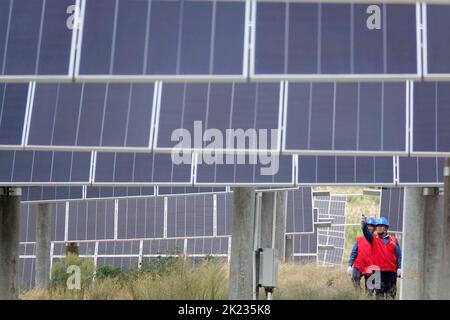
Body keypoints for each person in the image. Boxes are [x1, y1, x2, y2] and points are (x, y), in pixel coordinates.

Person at [361, 216, 402, 299]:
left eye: (381, 226)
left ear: (386, 228)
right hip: (378, 272)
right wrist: (364, 225)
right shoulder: (373, 239)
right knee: (379, 294)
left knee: (391, 294)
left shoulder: (394, 240)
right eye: (377, 226)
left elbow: (398, 255)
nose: (378, 228)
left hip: (391, 272)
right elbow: (366, 233)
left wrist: (399, 267)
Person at [347, 216, 377, 292]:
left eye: (371, 226)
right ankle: (359, 294)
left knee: (369, 291)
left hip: (371, 267)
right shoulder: (359, 240)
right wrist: (350, 265)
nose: (369, 228)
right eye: (368, 226)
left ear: (374, 228)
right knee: (355, 279)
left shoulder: (377, 240)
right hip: (359, 265)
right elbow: (353, 253)